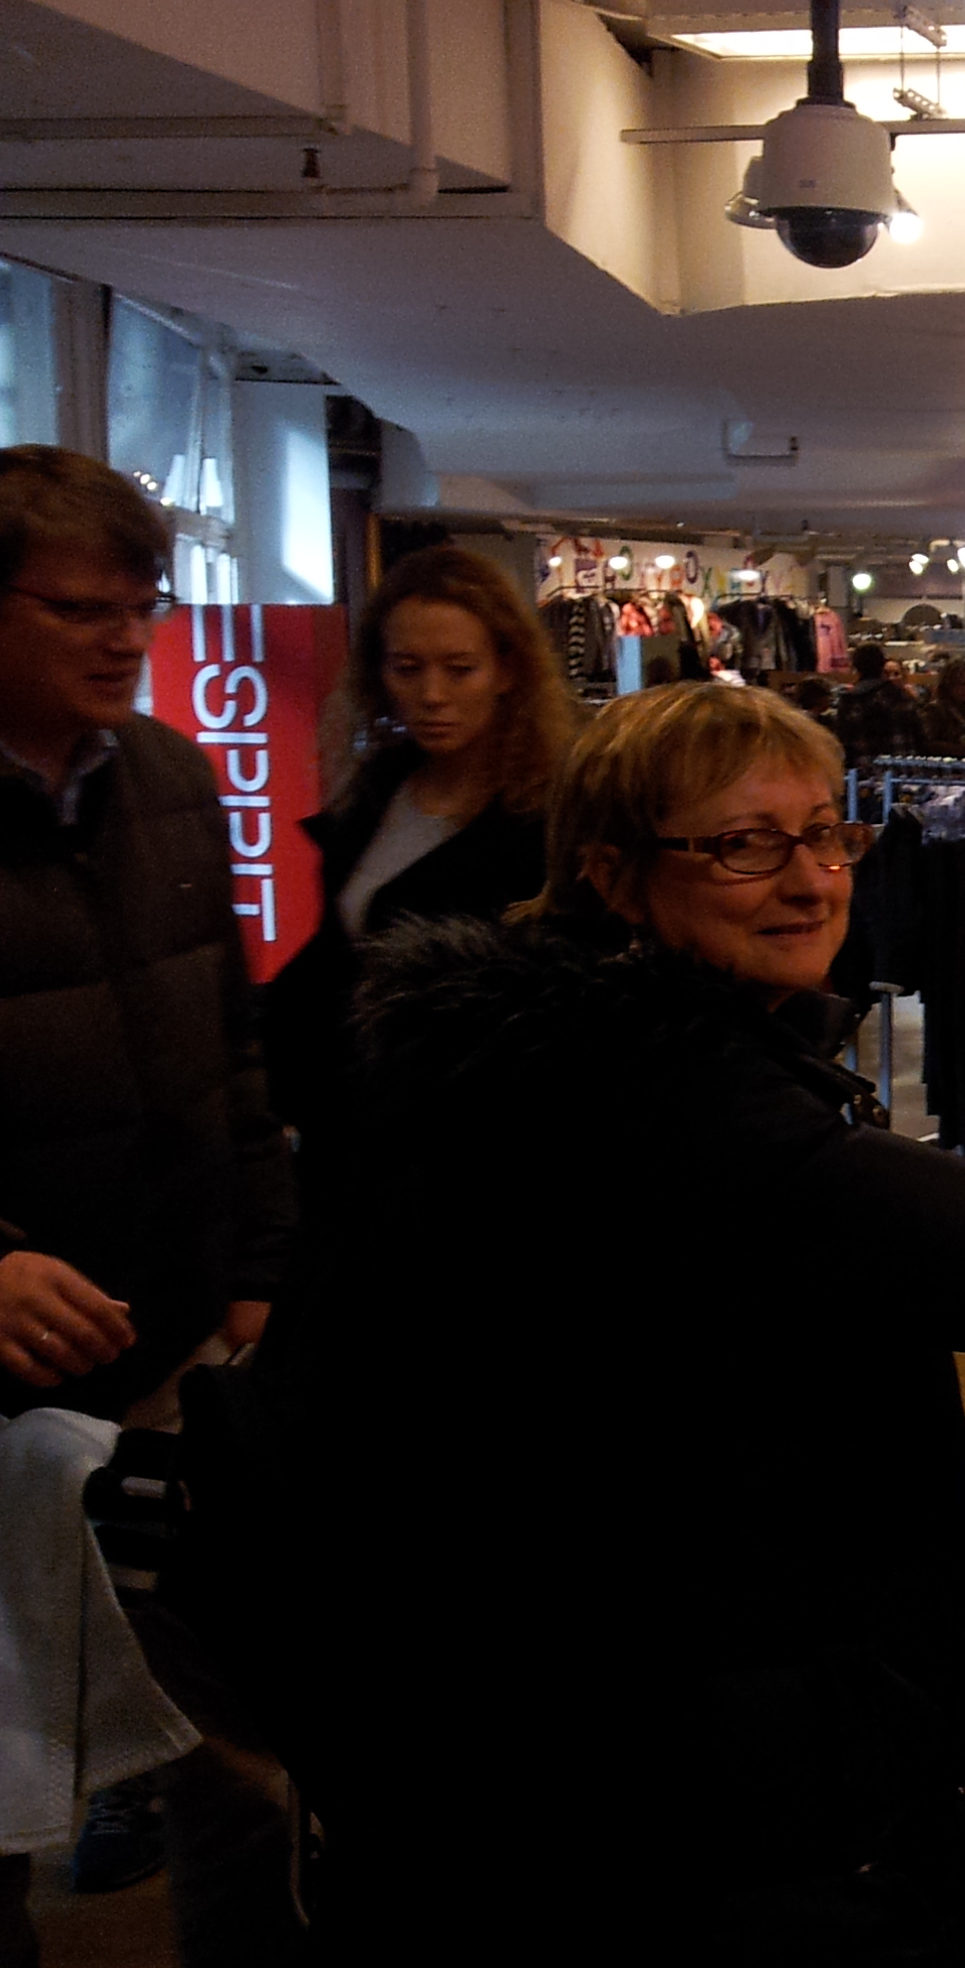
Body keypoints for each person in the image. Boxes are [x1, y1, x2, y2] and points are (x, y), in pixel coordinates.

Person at [251, 684, 965, 1963]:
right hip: (691, 1766)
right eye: (744, 846)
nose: (810, 880)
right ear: (612, 874)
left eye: (824, 834)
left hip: (541, 1730)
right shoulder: (675, 1095)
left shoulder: (537, 1057)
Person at [0, 446, 299, 1961]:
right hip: (7, 1379)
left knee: (233, 1726)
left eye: (144, 607)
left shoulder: (170, 776)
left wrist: (260, 1254)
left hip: (172, 1343)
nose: (125, 639)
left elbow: (230, 1042)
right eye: (82, 610)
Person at [261, 545, 578, 1140]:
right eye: (407, 668)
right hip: (344, 1126)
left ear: (507, 671)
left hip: (467, 1143)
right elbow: (335, 956)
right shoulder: (376, 790)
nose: (432, 695)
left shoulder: (551, 821)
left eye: (460, 669)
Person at [833, 640, 922, 763]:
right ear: (882, 665)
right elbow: (918, 736)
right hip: (902, 767)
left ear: (855, 666)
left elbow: (843, 742)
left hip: (864, 768)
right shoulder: (900, 695)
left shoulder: (849, 701)